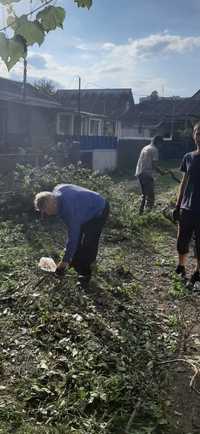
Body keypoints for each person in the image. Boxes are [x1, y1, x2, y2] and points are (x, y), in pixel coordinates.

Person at [34, 184, 109, 288]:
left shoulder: (70, 210)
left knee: (89, 241)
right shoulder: (56, 192)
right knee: (77, 240)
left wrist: (64, 261)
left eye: (46, 211)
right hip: (84, 209)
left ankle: (85, 274)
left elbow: (73, 237)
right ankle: (74, 261)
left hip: (99, 209)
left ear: (52, 204)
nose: (47, 214)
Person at [173, 121, 200, 288]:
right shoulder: (188, 157)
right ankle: (181, 266)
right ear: (193, 135)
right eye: (197, 133)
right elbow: (183, 182)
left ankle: (198, 272)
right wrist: (177, 205)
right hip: (186, 207)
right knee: (182, 240)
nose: (199, 137)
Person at [135, 135, 164, 214]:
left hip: (139, 172)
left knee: (144, 194)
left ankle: (140, 213)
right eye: (161, 144)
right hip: (146, 174)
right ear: (158, 142)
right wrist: (161, 172)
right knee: (151, 196)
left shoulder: (145, 147)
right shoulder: (154, 150)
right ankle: (148, 214)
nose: (161, 146)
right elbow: (154, 165)